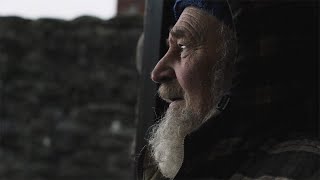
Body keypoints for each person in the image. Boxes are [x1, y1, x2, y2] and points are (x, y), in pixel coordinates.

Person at [136, 0, 319, 179]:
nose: (157, 72)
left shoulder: (304, 170)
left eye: (183, 46)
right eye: (170, 46)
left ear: (244, 63)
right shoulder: (183, 166)